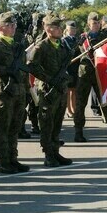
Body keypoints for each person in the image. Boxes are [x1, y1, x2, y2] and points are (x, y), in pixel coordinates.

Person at [0, 12, 30, 174]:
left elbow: (23, 70)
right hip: (3, 91)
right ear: (0, 27)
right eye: (9, 25)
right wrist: (6, 71)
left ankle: (13, 158)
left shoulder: (16, 46)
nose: (13, 28)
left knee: (15, 126)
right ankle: (3, 160)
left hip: (18, 91)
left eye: (14, 25)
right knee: (3, 127)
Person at [72, 12, 107, 142]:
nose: (96, 25)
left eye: (97, 23)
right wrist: (75, 45)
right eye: (93, 23)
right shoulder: (82, 38)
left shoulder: (104, 35)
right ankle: (78, 132)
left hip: (99, 73)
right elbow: (71, 54)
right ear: (88, 24)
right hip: (84, 74)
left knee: (106, 102)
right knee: (80, 104)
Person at [27, 14, 73, 167]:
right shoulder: (41, 46)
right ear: (48, 29)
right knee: (47, 123)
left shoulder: (62, 44)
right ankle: (48, 154)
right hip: (48, 89)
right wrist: (48, 79)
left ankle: (55, 151)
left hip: (60, 89)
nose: (61, 30)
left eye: (61, 27)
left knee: (57, 122)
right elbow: (31, 66)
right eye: (57, 27)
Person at [62, 20, 79, 119]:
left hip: (76, 67)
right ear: (66, 30)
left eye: (74, 29)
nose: (72, 31)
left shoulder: (76, 40)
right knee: (68, 91)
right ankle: (69, 110)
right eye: (70, 29)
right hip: (68, 67)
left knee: (75, 90)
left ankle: (74, 109)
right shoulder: (64, 41)